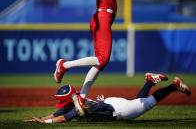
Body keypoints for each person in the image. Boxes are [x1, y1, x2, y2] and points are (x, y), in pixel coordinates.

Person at [24, 73, 191, 123]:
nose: (60, 103)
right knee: (139, 102)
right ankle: (149, 81)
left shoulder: (78, 108)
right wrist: (40, 118)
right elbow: (56, 114)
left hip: (119, 110)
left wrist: (44, 123)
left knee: (147, 104)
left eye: (62, 100)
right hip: (111, 103)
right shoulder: (75, 103)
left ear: (69, 99)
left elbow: (62, 118)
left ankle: (174, 85)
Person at [54, 0, 117, 116]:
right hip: (103, 16)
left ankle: (81, 98)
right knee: (103, 59)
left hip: (105, 16)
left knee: (101, 63)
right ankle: (64, 65)